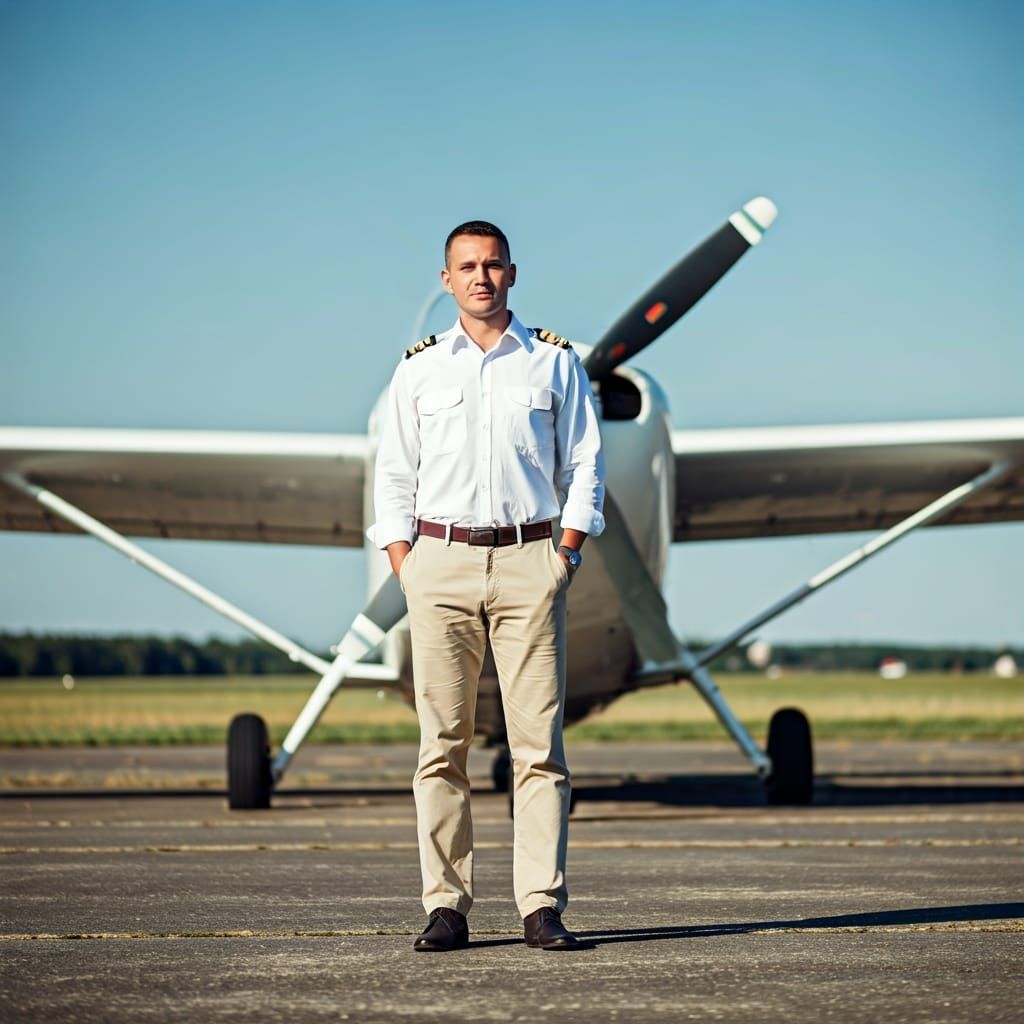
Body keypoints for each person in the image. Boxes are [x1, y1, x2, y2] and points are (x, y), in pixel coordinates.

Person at [369, 220, 605, 952]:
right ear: (446, 280)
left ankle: (541, 906)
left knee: (540, 747)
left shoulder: (554, 364)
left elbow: (587, 465)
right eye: (466, 266)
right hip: (438, 566)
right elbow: (394, 475)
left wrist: (564, 554)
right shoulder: (418, 371)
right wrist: (409, 564)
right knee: (440, 745)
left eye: (493, 265)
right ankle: (446, 906)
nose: (481, 277)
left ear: (512, 273)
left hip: (531, 564)